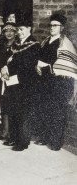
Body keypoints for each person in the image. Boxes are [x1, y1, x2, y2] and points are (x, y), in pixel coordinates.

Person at [35, 13, 77, 151]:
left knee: (57, 112)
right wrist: (38, 66)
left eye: (55, 26)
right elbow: (40, 57)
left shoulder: (65, 44)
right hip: (44, 82)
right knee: (44, 109)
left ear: (62, 27)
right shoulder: (46, 41)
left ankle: (56, 142)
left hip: (58, 83)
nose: (52, 28)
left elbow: (66, 65)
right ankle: (45, 137)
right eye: (51, 25)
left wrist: (47, 67)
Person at [0, 12, 40, 151]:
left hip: (25, 85)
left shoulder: (34, 45)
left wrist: (11, 66)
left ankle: (23, 142)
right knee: (12, 111)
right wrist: (5, 67)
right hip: (12, 83)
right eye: (19, 30)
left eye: (22, 29)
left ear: (29, 29)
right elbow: (8, 59)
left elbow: (27, 66)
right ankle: (14, 137)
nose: (20, 33)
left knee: (23, 114)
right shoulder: (16, 45)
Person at [0, 23, 17, 141]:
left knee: (11, 103)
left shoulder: (17, 45)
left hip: (13, 78)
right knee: (4, 102)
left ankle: (11, 132)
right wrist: (0, 72)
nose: (9, 33)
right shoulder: (1, 45)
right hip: (2, 77)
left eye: (11, 31)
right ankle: (4, 130)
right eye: (6, 31)